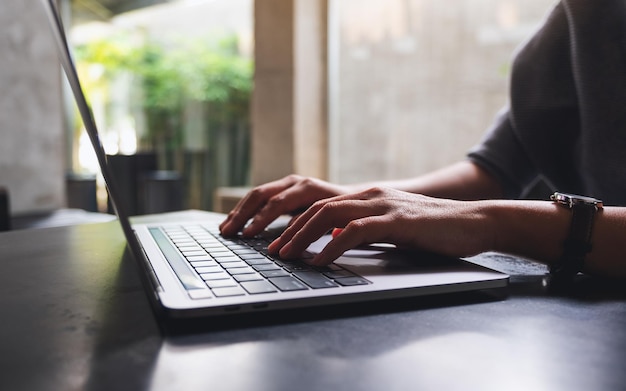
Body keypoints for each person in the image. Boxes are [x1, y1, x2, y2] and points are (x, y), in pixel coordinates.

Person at [220, 0, 626, 280]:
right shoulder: (575, 17)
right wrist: (355, 200)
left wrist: (491, 222)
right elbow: (496, 170)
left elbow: (491, 201)